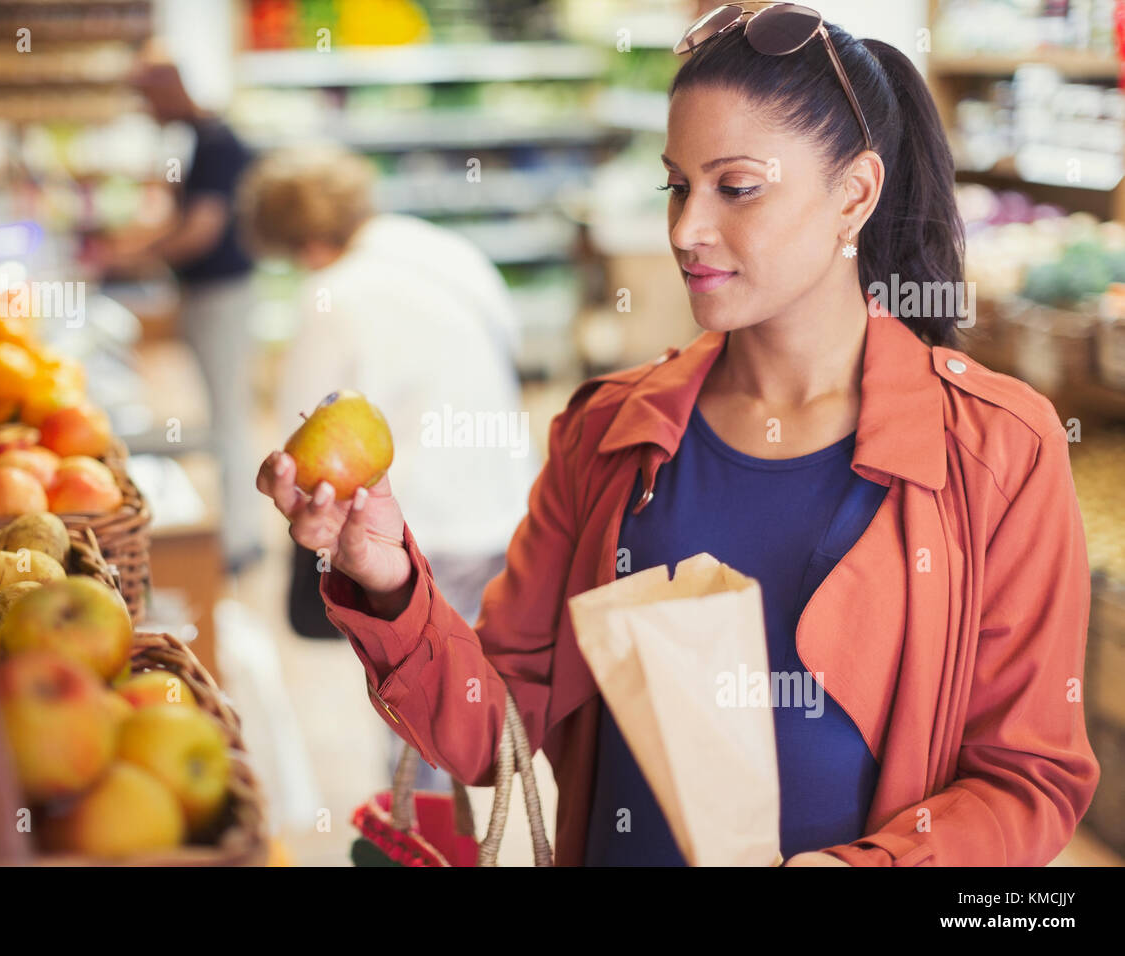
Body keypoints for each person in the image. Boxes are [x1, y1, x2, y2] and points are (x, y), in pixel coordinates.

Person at [255, 4, 1100, 866]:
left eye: (737, 188)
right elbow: (489, 733)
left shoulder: (997, 450)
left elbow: (1026, 777)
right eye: (677, 185)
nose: (687, 229)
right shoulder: (610, 434)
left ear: (855, 194)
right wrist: (388, 579)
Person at [238, 143, 540, 790]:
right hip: (508, 501)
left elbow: (303, 437)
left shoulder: (331, 295)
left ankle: (422, 845)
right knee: (484, 701)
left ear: (304, 240)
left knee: (421, 707)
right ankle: (463, 832)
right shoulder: (443, 250)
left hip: (421, 522)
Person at [98, 53, 265, 574]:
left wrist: (136, 256)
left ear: (170, 90)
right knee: (218, 415)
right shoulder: (197, 141)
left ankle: (241, 543)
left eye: (148, 99)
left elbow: (200, 232)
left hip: (224, 295)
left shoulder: (217, 144)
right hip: (206, 295)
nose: (146, 111)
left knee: (228, 417)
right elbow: (179, 220)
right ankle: (233, 536)